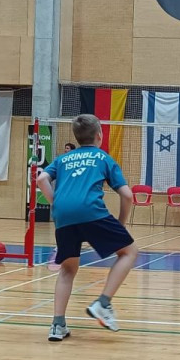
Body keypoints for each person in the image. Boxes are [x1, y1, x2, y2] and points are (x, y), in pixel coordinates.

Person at [37, 114, 139, 341]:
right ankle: (103, 303)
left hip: (63, 216)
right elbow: (127, 195)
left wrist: (57, 202)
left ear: (77, 137)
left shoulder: (63, 159)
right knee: (129, 252)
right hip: (91, 212)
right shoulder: (103, 158)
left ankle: (57, 325)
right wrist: (121, 224)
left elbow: (41, 180)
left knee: (67, 269)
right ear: (99, 135)